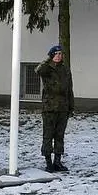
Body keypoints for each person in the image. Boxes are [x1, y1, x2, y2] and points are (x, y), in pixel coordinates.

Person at [36, 45, 74, 173]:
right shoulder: (47, 68)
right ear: (52, 55)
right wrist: (48, 59)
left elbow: (69, 89)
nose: (59, 56)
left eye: (60, 53)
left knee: (59, 136)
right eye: (56, 54)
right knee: (48, 135)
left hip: (63, 108)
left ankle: (57, 161)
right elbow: (38, 70)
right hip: (50, 108)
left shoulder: (65, 70)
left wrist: (71, 106)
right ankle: (48, 162)